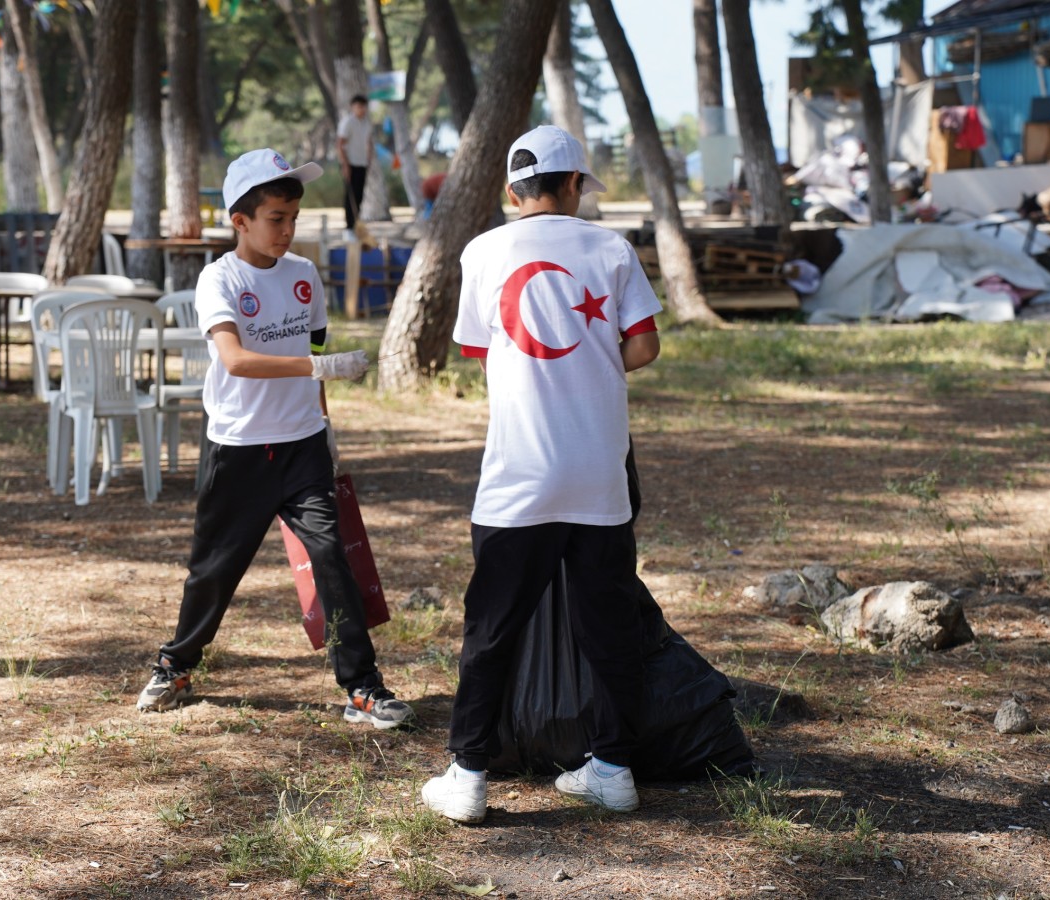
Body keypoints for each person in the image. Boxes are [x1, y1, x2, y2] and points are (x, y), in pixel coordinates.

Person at [421, 126, 662, 823]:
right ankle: (613, 769)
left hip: (518, 475)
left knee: (491, 628)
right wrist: (595, 357)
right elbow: (643, 344)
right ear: (576, 186)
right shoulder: (611, 248)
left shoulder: (484, 250)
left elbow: (477, 346)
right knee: (609, 626)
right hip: (598, 474)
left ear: (510, 191)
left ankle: (468, 775)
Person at [136, 147, 414, 731]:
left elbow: (311, 352)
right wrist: (319, 371)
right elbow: (235, 360)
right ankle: (177, 664)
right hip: (238, 449)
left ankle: (362, 688)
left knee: (331, 559)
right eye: (276, 219)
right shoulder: (220, 278)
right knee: (214, 569)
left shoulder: (306, 277)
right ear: (240, 221)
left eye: (293, 218)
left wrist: (325, 423)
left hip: (303, 446)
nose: (288, 231)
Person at [336, 94, 372, 240]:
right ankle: (348, 229)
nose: (361, 109)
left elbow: (368, 142)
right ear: (353, 107)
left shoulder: (366, 123)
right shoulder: (348, 122)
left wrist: (369, 159)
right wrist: (345, 165)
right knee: (350, 196)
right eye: (358, 106)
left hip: (361, 163)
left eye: (363, 106)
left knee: (359, 196)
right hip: (349, 163)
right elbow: (340, 144)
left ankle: (356, 226)